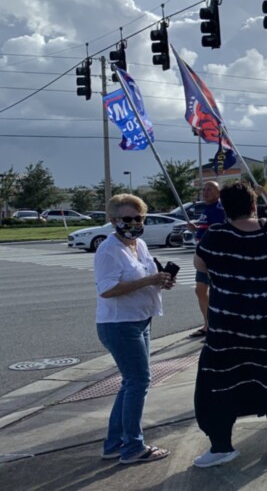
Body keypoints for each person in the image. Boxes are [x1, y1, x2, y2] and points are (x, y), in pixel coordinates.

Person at [192, 182, 267, 468]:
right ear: (253, 204)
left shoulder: (216, 235)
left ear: (225, 208)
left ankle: (221, 447)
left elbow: (200, 265)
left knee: (219, 384)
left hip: (230, 329)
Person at [94, 193, 175, 464]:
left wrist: (161, 281)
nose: (134, 223)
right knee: (138, 381)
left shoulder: (139, 244)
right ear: (113, 220)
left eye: (139, 218)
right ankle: (132, 447)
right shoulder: (109, 250)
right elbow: (107, 289)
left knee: (131, 382)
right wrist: (148, 280)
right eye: (127, 219)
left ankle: (114, 444)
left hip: (141, 320)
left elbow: (146, 275)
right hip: (119, 324)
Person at [185, 181, 226, 339]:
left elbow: (220, 232)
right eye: (203, 189)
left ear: (218, 192)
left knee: (217, 292)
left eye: (209, 189)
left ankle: (219, 326)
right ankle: (208, 325)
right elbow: (207, 229)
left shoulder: (220, 210)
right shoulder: (206, 209)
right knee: (200, 290)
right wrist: (195, 228)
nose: (205, 192)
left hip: (214, 258)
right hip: (202, 257)